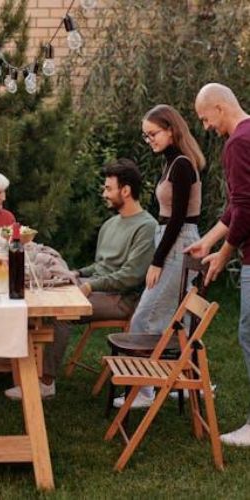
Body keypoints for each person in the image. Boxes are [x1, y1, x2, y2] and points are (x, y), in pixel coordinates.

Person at [5, 159, 157, 400]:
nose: (104, 193)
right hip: (99, 289)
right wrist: (76, 274)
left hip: (121, 298)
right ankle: (17, 368)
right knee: (38, 296)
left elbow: (131, 276)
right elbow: (102, 265)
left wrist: (89, 285)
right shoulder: (110, 224)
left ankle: (45, 383)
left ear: (125, 191)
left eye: (109, 188)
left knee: (60, 312)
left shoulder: (147, 227)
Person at [113, 105, 205, 410]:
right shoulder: (170, 163)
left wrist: (157, 260)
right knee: (161, 314)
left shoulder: (181, 165)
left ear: (171, 129)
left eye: (153, 133)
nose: (149, 139)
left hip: (177, 242)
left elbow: (178, 218)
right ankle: (165, 382)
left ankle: (144, 389)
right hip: (170, 238)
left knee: (145, 315)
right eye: (146, 135)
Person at [185, 83, 250, 446]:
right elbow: (236, 206)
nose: (206, 127)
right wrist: (208, 241)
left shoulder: (238, 142)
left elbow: (245, 208)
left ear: (220, 107)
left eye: (205, 118)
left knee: (249, 334)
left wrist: (224, 255)